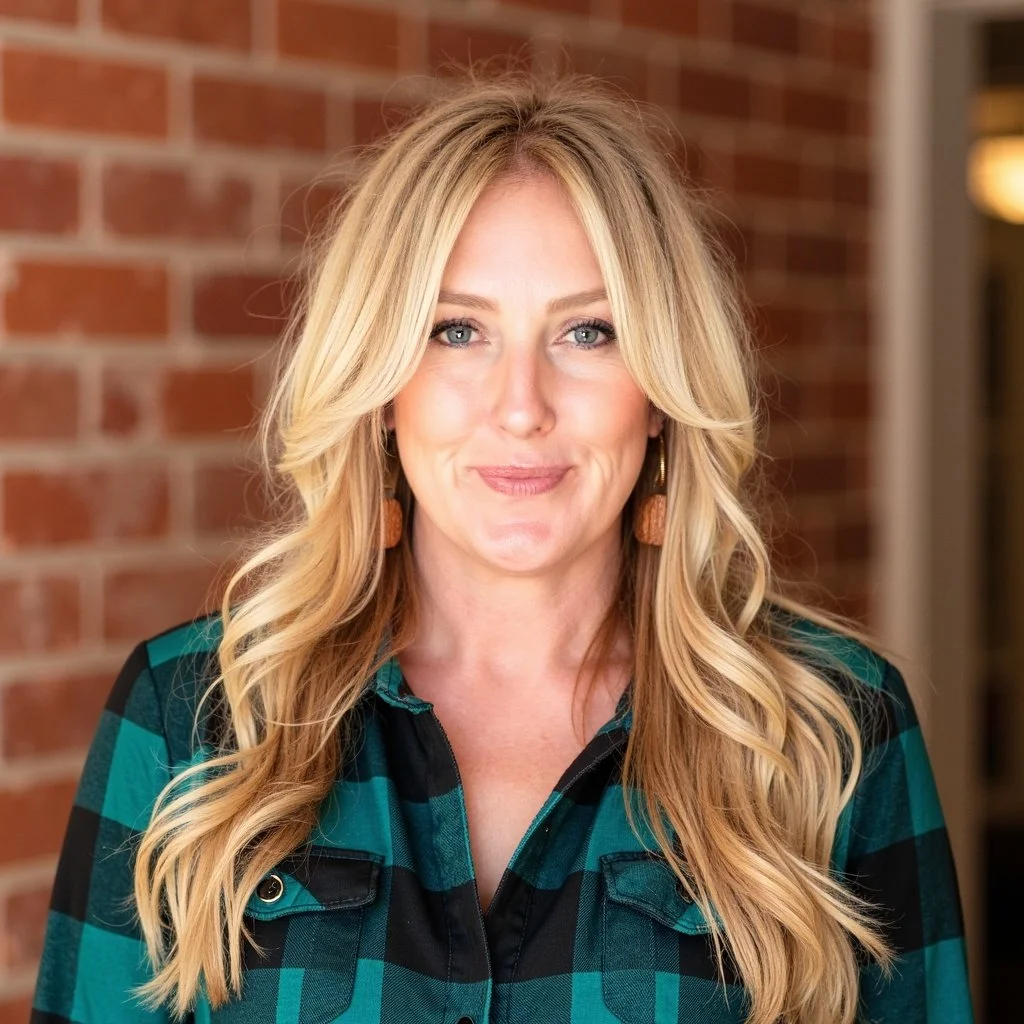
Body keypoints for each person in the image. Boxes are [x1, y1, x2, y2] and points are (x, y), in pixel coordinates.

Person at [30, 67, 974, 1024]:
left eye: (589, 331)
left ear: (660, 393)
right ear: (381, 385)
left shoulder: (829, 731)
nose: (521, 407)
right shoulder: (196, 719)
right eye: (457, 330)